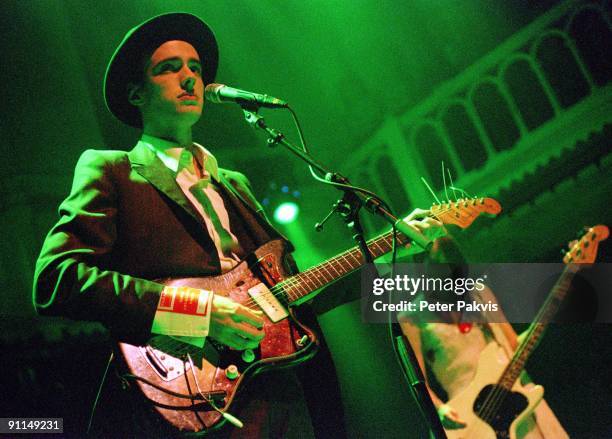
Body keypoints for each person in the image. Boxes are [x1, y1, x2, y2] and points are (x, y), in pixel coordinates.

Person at [33, 12, 441, 438]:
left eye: (194, 67)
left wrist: (393, 245)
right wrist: (197, 313)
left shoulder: (234, 184)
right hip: (187, 383)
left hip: (280, 384)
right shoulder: (110, 169)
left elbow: (293, 290)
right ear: (136, 94)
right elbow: (55, 279)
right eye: (168, 69)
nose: (189, 78)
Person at [398, 237, 568, 438]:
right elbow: (418, 381)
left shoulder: (478, 294)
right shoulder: (411, 316)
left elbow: (512, 345)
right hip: (467, 418)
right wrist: (438, 409)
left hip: (511, 398)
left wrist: (546, 314)